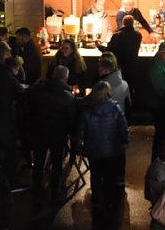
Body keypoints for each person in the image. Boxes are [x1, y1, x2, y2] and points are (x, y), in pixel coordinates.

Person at [74, 81, 129, 218]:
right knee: (110, 175)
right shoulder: (116, 109)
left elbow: (80, 132)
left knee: (96, 175)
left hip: (93, 150)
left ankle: (97, 201)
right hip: (112, 149)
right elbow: (123, 129)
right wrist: (124, 143)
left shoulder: (87, 111)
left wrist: (78, 148)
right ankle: (109, 201)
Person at [28, 65, 75, 205]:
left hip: (40, 132)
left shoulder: (38, 91)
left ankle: (37, 188)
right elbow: (71, 119)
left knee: (39, 162)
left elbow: (30, 108)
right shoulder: (67, 97)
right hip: (57, 135)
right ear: (65, 78)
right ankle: (55, 192)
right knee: (57, 164)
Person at [0, 53, 24, 184]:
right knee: (9, 151)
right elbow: (21, 93)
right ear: (15, 68)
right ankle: (11, 180)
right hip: (5, 119)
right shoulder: (10, 79)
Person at [146, 43, 165, 157]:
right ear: (159, 53)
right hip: (159, 105)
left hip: (162, 104)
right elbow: (160, 88)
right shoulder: (157, 67)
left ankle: (159, 156)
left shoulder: (163, 65)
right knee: (161, 133)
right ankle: (158, 157)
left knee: (162, 133)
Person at [100, 15, 141, 89]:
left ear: (123, 23)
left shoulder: (117, 35)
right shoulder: (138, 36)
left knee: (118, 89)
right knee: (130, 88)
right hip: (133, 67)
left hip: (120, 67)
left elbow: (108, 51)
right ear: (133, 23)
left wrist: (99, 46)